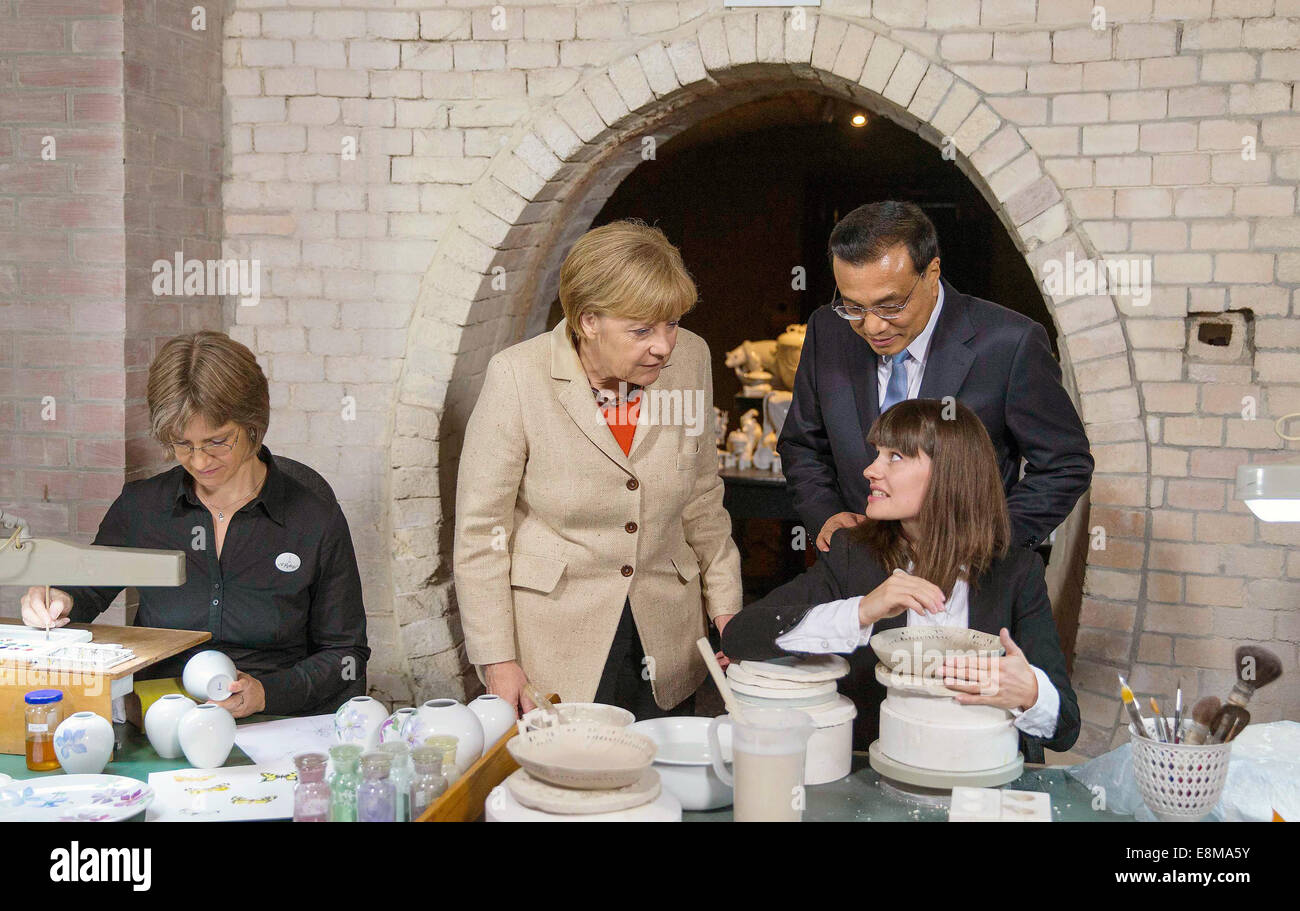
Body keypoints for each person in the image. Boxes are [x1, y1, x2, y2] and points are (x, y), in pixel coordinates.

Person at [454, 220, 742, 719]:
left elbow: (701, 496)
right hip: (556, 644)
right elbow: (483, 532)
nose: (664, 346)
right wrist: (497, 660)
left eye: (671, 323)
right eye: (642, 330)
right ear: (588, 321)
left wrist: (729, 613)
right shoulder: (518, 376)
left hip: (666, 634)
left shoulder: (691, 359)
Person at [20, 331, 370, 718]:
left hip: (273, 722)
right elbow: (86, 589)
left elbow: (345, 654)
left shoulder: (314, 519)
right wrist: (56, 600)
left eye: (218, 441)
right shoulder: (143, 508)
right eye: (183, 445)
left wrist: (266, 694)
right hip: (158, 718)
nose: (200, 461)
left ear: (253, 426)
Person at [723, 398, 1080, 761]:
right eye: (877, 453)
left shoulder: (1016, 571)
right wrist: (862, 610)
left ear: (950, 472)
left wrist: (1031, 692)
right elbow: (740, 635)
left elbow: (1066, 727)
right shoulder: (853, 554)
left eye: (895, 456)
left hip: (983, 780)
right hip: (880, 774)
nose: (870, 470)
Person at [779, 200, 1094, 554]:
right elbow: (802, 444)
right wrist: (827, 515)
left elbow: (1064, 463)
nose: (872, 326)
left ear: (931, 274)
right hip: (857, 571)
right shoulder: (828, 330)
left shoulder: (1009, 343)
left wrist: (987, 544)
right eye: (853, 306)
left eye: (890, 305)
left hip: (970, 582)